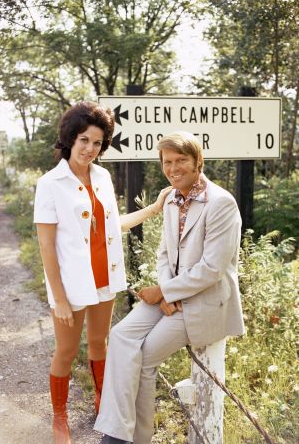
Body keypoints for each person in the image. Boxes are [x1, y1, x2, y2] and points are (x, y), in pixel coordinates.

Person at [94, 131, 245, 444]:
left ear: (198, 162)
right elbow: (165, 254)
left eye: (181, 161)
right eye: (167, 162)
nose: (173, 168)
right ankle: (115, 430)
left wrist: (164, 292)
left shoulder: (221, 203)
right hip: (173, 295)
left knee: (145, 357)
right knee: (121, 336)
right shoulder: (173, 198)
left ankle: (133, 440)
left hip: (205, 302)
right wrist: (165, 291)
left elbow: (212, 269)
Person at [33, 101, 171, 444]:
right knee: (65, 351)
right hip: (69, 285)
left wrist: (152, 210)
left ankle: (101, 402)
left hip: (104, 280)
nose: (90, 149)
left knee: (99, 342)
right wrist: (60, 298)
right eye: (84, 140)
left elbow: (111, 227)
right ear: (70, 139)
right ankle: (60, 417)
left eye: (97, 143)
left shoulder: (102, 177)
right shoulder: (50, 184)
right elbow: (47, 247)